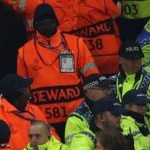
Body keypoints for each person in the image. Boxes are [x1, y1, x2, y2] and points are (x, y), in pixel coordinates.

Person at [16, 4, 99, 133]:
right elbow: (21, 91)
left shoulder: (76, 43)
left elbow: (93, 79)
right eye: (42, 23)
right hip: (42, 120)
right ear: (35, 26)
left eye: (49, 21)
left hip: (76, 116)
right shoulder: (24, 51)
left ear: (56, 22)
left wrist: (94, 107)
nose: (46, 25)